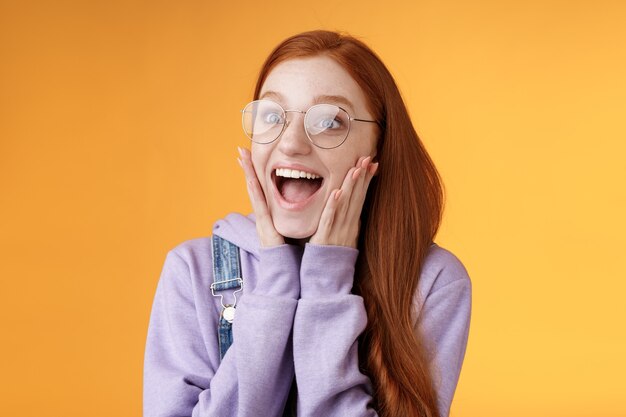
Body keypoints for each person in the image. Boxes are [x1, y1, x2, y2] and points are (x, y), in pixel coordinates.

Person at [143, 30, 472, 417]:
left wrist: (327, 280)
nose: (291, 144)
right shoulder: (192, 271)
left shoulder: (432, 281)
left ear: (378, 145)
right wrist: (277, 285)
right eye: (271, 116)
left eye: (329, 122)